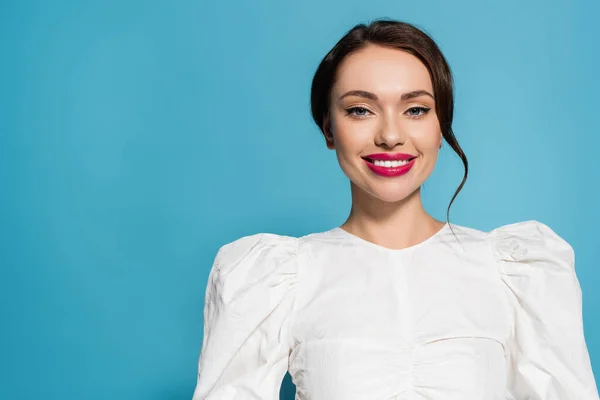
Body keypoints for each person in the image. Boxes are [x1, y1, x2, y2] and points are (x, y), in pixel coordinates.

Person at [191, 19, 599, 399]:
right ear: (329, 128)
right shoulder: (275, 278)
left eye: (416, 109)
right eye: (360, 110)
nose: (389, 135)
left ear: (441, 127)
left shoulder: (519, 272)